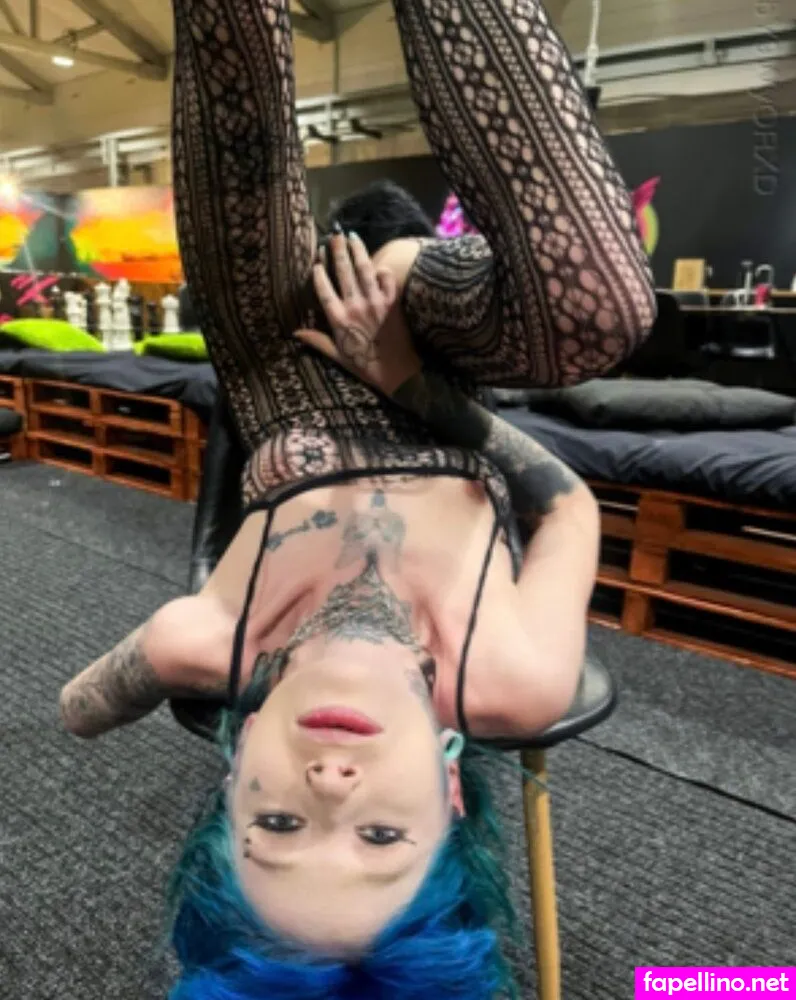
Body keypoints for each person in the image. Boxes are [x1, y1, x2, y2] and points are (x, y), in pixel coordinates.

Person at [59, 0, 656, 993]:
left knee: (230, 34)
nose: (332, 786)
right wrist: (407, 385)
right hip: (432, 361)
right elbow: (568, 505)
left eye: (277, 822)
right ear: (450, 793)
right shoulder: (511, 677)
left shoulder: (205, 639)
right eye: (380, 836)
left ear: (233, 780)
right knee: (595, 314)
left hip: (280, 364)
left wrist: (139, 674)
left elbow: (78, 709)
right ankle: (400, 240)